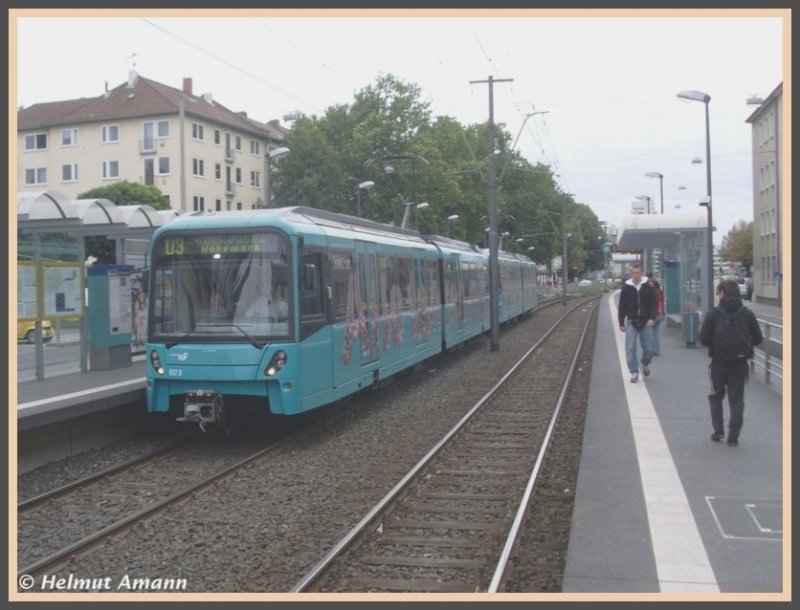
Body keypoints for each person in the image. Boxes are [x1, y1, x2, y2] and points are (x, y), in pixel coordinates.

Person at [699, 279, 763, 446]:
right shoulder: (747, 314)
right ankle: (733, 436)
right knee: (736, 399)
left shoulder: (713, 314)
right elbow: (758, 339)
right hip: (740, 364)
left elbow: (704, 339)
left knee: (716, 396)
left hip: (718, 362)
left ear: (721, 293)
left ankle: (718, 431)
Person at [617, 263, 656, 383]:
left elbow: (653, 305)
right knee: (630, 348)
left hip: (645, 321)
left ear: (641, 273)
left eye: (637, 272)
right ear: (631, 273)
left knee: (649, 348)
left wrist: (652, 318)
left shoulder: (648, 287)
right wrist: (621, 322)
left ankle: (645, 363)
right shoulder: (627, 288)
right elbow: (622, 306)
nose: (635, 275)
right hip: (632, 320)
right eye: (633, 273)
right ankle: (634, 371)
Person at [648, 275, 665, 356]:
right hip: (660, 314)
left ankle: (651, 350)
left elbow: (651, 305)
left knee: (650, 332)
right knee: (656, 333)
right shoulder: (660, 292)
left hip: (653, 315)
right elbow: (662, 303)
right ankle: (657, 350)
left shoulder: (652, 293)